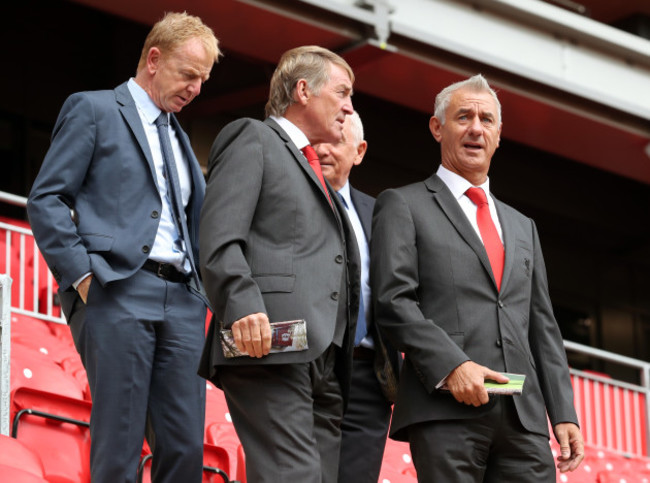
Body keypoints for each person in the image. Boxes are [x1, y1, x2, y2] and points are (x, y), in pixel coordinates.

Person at [26, 12, 219, 483]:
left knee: (185, 450)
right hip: (117, 289)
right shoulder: (93, 109)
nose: (196, 88)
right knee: (120, 443)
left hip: (184, 301)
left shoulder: (179, 136)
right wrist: (83, 276)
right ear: (154, 59)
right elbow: (47, 198)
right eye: (188, 74)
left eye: (204, 79)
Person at [370, 74, 584, 482]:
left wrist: (563, 411)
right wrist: (452, 365)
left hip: (524, 420)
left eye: (486, 119)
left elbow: (542, 326)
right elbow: (393, 301)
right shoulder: (403, 204)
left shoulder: (524, 227)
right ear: (437, 127)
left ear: (499, 135)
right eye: (463, 116)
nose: (475, 128)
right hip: (445, 408)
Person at [197, 45, 360, 483]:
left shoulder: (315, 168)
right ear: (303, 90)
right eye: (342, 92)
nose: (348, 107)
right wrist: (242, 304)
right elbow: (218, 236)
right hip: (266, 341)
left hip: (325, 357)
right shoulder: (253, 137)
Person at [314, 111, 400, 483]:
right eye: (315, 139)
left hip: (370, 375)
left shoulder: (383, 213)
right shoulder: (290, 199)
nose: (321, 149)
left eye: (334, 141)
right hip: (312, 365)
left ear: (359, 151)